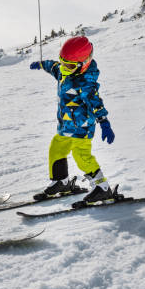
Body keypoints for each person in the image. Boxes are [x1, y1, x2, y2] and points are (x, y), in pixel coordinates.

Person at [29, 36, 116, 204]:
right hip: (65, 126)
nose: (64, 68)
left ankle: (102, 188)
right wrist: (41, 64)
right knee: (56, 149)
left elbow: (95, 103)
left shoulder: (85, 83)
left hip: (82, 128)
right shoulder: (64, 70)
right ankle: (61, 182)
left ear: (84, 64)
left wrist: (104, 122)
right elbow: (53, 66)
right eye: (63, 63)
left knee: (81, 156)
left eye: (68, 65)